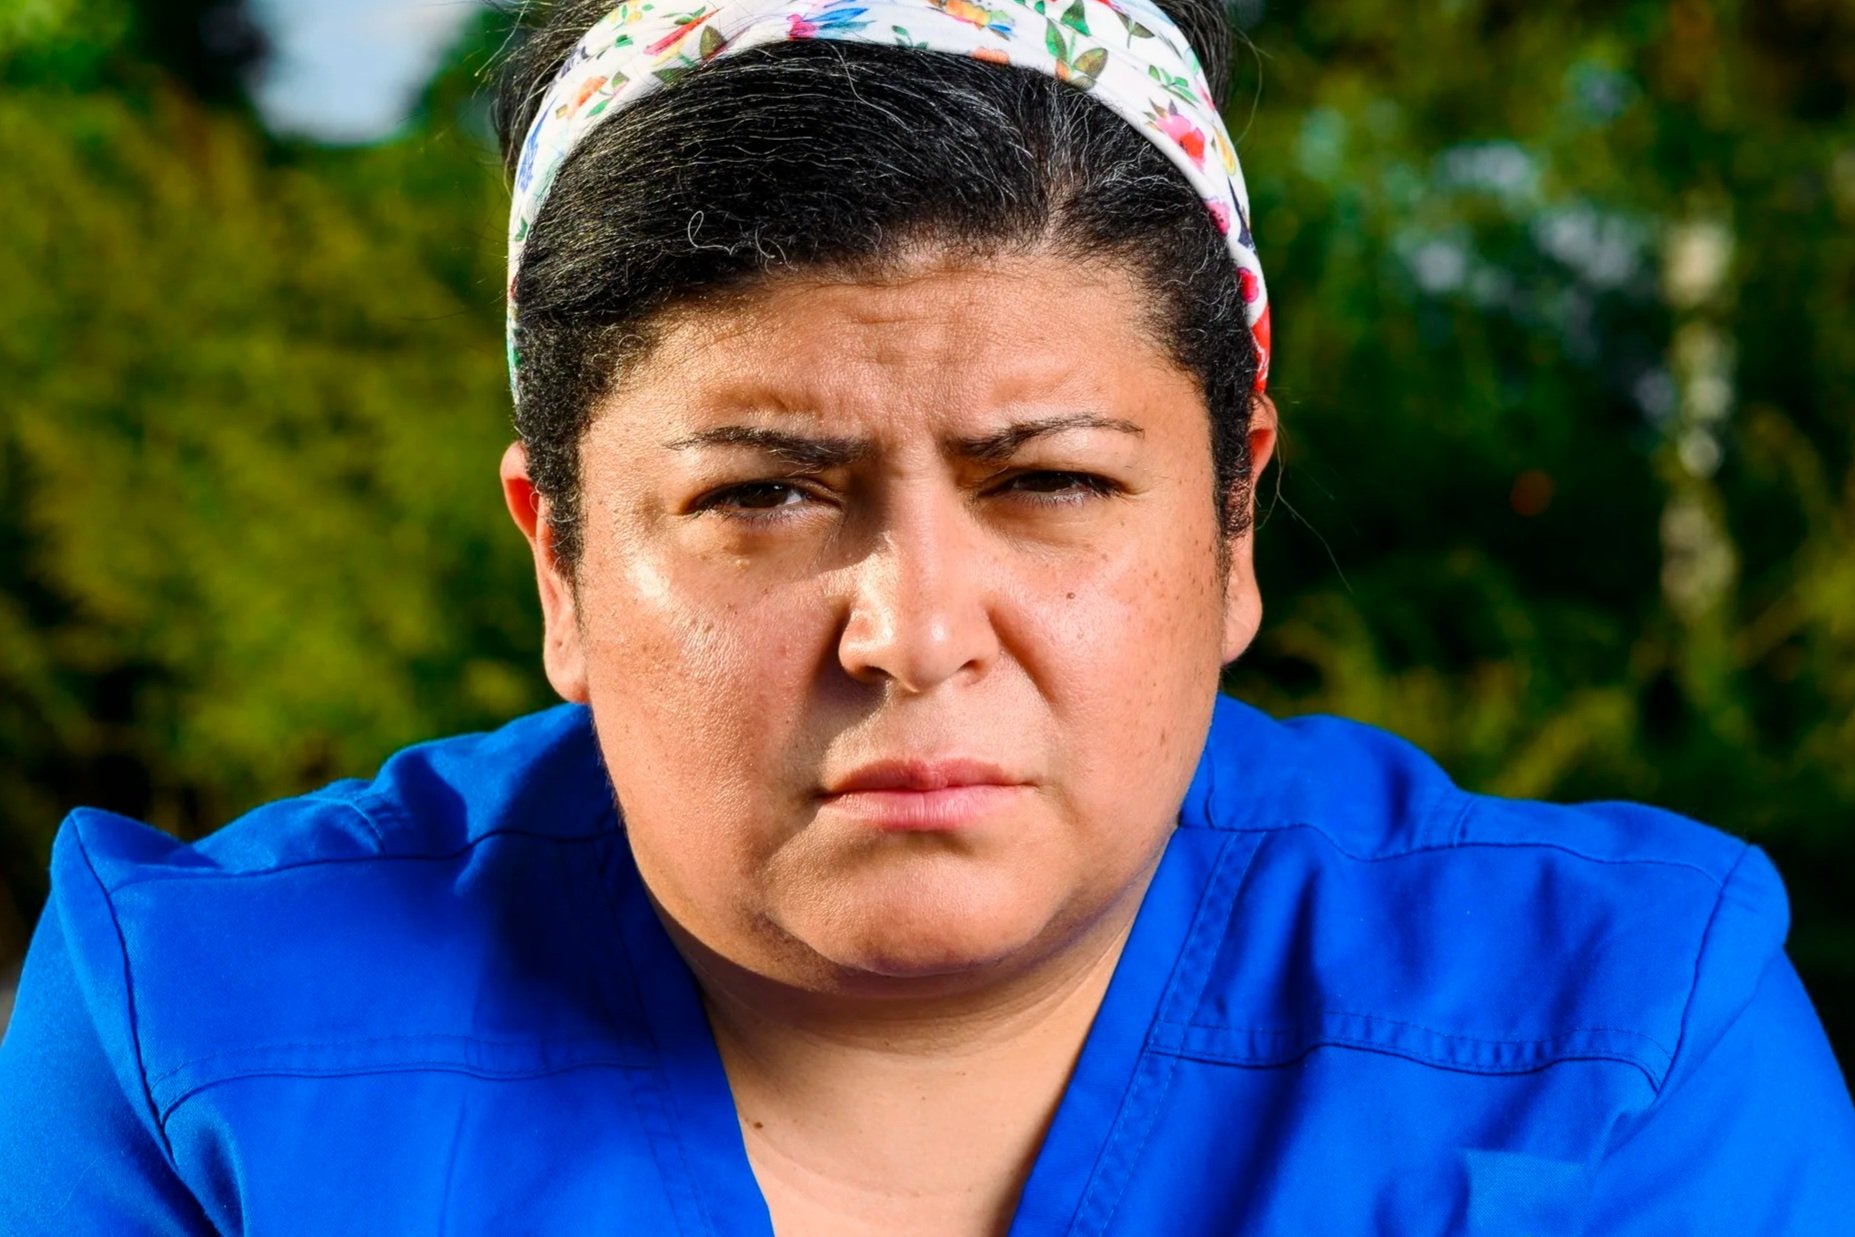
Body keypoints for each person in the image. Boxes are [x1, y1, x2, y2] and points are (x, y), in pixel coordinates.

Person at [2, 0, 1852, 1230]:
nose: (912, 628)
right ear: (557, 555)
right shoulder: (202, 1046)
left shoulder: (1612, 1042)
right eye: (759, 496)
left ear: (1231, 521)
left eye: (1047, 482)